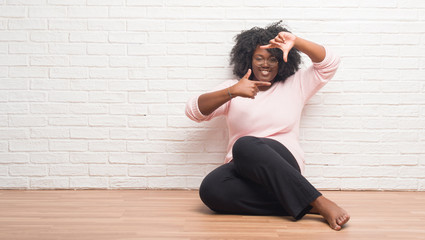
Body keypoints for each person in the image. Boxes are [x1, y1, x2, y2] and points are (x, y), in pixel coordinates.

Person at [185, 21, 350, 231]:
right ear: (249, 60)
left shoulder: (295, 84)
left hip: (284, 162)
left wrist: (296, 41)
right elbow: (193, 111)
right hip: (243, 167)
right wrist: (232, 92)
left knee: (245, 145)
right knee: (211, 189)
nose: (266, 64)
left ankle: (319, 201)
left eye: (273, 58)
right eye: (259, 58)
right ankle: (305, 204)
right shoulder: (234, 88)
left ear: (282, 61)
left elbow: (330, 63)